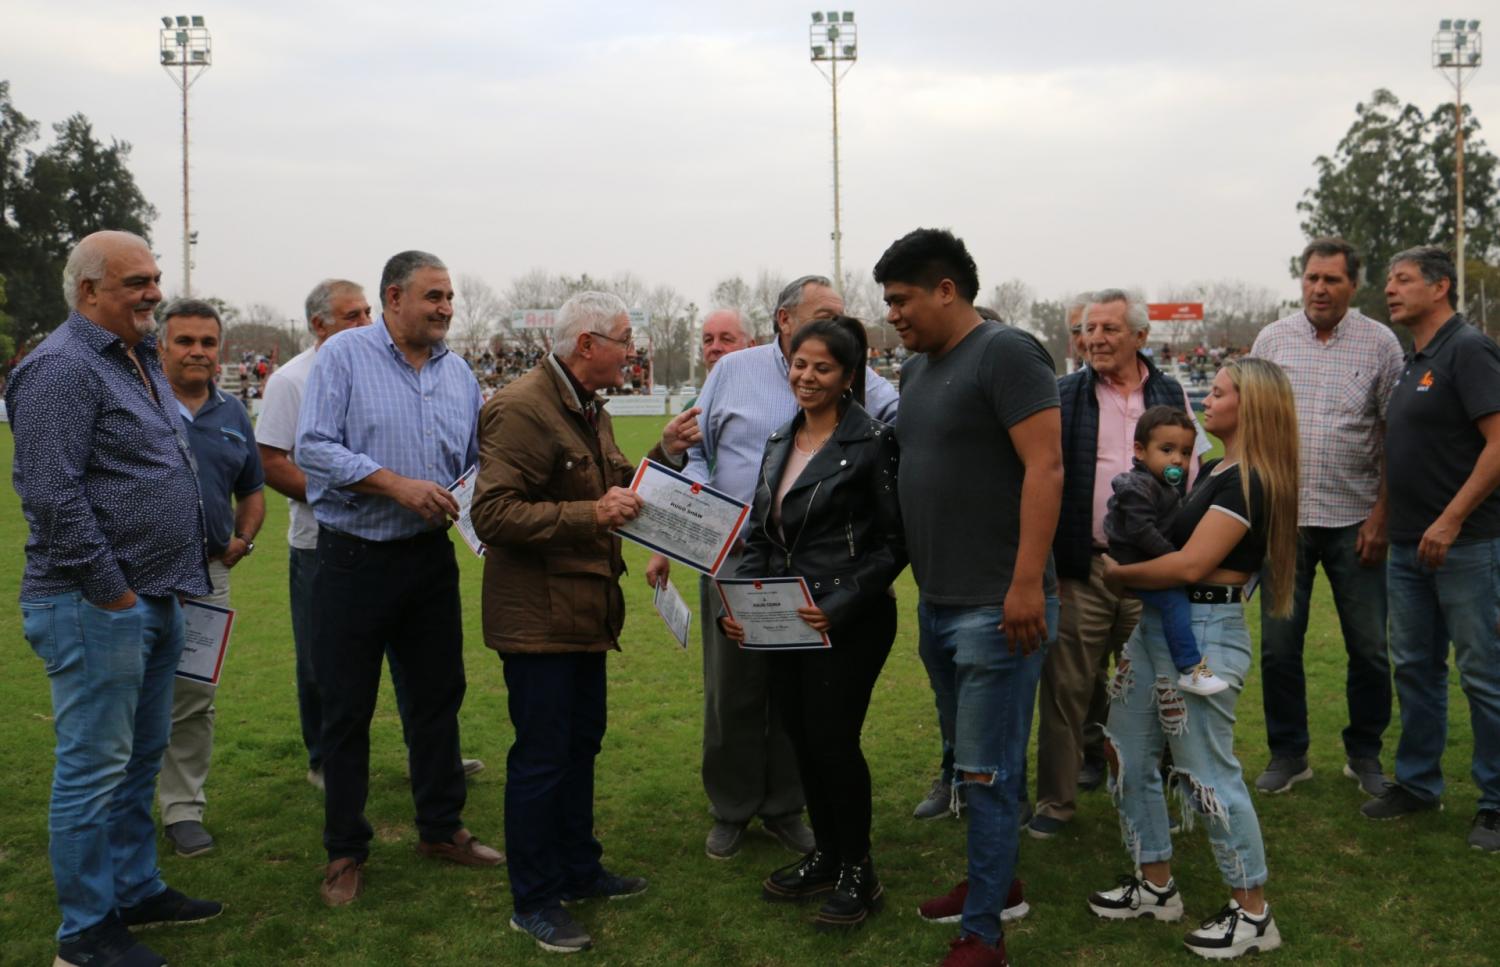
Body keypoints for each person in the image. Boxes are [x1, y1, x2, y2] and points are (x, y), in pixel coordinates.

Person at [8, 230, 222, 967]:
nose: (152, 292)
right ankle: (86, 933)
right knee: (93, 766)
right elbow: (51, 494)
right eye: (135, 282)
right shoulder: (62, 367)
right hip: (93, 604)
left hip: (156, 597)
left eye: (155, 278)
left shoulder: (134, 357)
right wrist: (115, 594)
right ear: (88, 291)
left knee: (140, 758)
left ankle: (135, 888)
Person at [647, 275, 900, 861]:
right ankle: (732, 807)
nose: (837, 322)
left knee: (798, 689)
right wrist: (696, 509)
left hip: (814, 559)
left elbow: (901, 419)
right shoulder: (733, 371)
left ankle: (787, 806)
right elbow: (697, 449)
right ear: (786, 320)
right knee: (733, 688)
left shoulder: (853, 367)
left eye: (841, 314)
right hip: (736, 548)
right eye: (824, 313)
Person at [875, 228, 1062, 967]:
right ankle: (995, 881)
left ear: (945, 288)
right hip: (940, 602)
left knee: (988, 771)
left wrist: (1024, 583)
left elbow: (1045, 468)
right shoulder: (919, 372)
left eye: (900, 298)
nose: (891, 313)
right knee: (969, 765)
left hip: (998, 605)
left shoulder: (1008, 352)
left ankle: (984, 934)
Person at [296, 250, 499, 908]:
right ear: (393, 297)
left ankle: (441, 828)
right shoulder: (344, 356)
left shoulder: (459, 371)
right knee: (347, 708)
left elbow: (472, 462)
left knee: (438, 699)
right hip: (354, 558)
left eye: (449, 297)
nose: (445, 308)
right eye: (433, 296)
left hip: (428, 560)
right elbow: (314, 447)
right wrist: (395, 485)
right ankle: (345, 850)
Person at [1089, 356, 1298, 960]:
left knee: (1207, 773)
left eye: (1223, 391)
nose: (1208, 398)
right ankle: (1155, 884)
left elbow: (1189, 566)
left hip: (1203, 630)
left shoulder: (1248, 479)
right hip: (1157, 628)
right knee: (1124, 752)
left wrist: (1117, 572)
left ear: (1250, 406)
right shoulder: (1214, 469)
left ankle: (1252, 912)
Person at [470, 291, 651, 953]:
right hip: (538, 621)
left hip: (583, 611)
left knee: (581, 745)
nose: (631, 352)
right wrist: (590, 517)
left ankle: (579, 869)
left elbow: (610, 484)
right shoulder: (520, 408)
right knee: (543, 758)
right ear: (587, 345)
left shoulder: (587, 406)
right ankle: (535, 898)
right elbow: (491, 515)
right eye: (624, 339)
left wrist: (666, 454)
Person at [717, 316, 906, 931]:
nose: (807, 377)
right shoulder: (780, 439)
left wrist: (840, 602)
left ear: (849, 376)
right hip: (781, 622)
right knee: (801, 739)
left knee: (833, 742)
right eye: (800, 364)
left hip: (846, 622)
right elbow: (760, 534)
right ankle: (826, 855)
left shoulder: (872, 442)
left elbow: (893, 543)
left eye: (823, 368)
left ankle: (860, 870)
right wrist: (740, 604)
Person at [257, 279, 482, 792]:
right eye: (352, 314)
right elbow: (283, 456)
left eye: (364, 312)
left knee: (430, 683)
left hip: (424, 549)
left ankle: (434, 789)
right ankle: (332, 789)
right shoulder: (305, 374)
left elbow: (472, 458)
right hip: (335, 546)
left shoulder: (452, 370)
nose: (363, 322)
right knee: (336, 683)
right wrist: (361, 492)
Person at [1030, 289, 1207, 840]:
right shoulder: (1063, 395)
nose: (1095, 339)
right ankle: (1056, 804)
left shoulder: (1170, 390)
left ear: (1140, 336)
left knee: (1162, 687)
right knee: (1066, 691)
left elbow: (1192, 474)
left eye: (1108, 328)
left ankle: (1165, 792)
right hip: (1085, 568)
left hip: (1153, 569)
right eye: (1088, 329)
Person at [1248, 237, 1404, 797]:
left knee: (1368, 646)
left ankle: (1365, 754)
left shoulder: (1381, 344)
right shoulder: (1273, 339)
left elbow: (1392, 436)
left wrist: (1382, 515)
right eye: (1312, 278)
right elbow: (1253, 424)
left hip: (1355, 520)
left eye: (1331, 280)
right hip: (1284, 522)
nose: (1319, 288)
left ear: (1352, 286)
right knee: (1279, 646)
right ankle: (1289, 753)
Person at [1365, 246, 1500, 853]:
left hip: (1466, 544)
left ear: (1441, 286)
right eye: (1389, 280)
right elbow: (1403, 450)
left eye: (1403, 280)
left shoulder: (1468, 349)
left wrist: (1448, 521)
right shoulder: (1410, 358)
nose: (1390, 289)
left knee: (1483, 674)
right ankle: (1419, 784)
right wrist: (1388, 518)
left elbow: (1498, 444)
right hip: (1408, 547)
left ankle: (1496, 803)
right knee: (1416, 669)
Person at [155, 298, 266, 858]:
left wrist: (244, 539)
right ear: (161, 346)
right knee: (124, 693)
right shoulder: (136, 402)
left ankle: (182, 809)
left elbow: (252, 489)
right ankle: (117, 806)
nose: (198, 351)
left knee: (194, 696)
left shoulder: (232, 414)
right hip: (137, 574)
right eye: (185, 341)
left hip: (208, 575)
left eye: (207, 342)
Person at [1103, 405, 1225, 696]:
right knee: (1174, 601)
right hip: (1135, 563)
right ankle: (1190, 668)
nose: (1177, 460)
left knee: (1161, 616)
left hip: (1147, 563)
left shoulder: (1162, 485)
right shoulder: (1137, 486)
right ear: (1140, 451)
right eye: (1167, 449)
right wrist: (1174, 559)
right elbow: (1141, 531)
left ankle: (1133, 668)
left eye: (1185, 453)